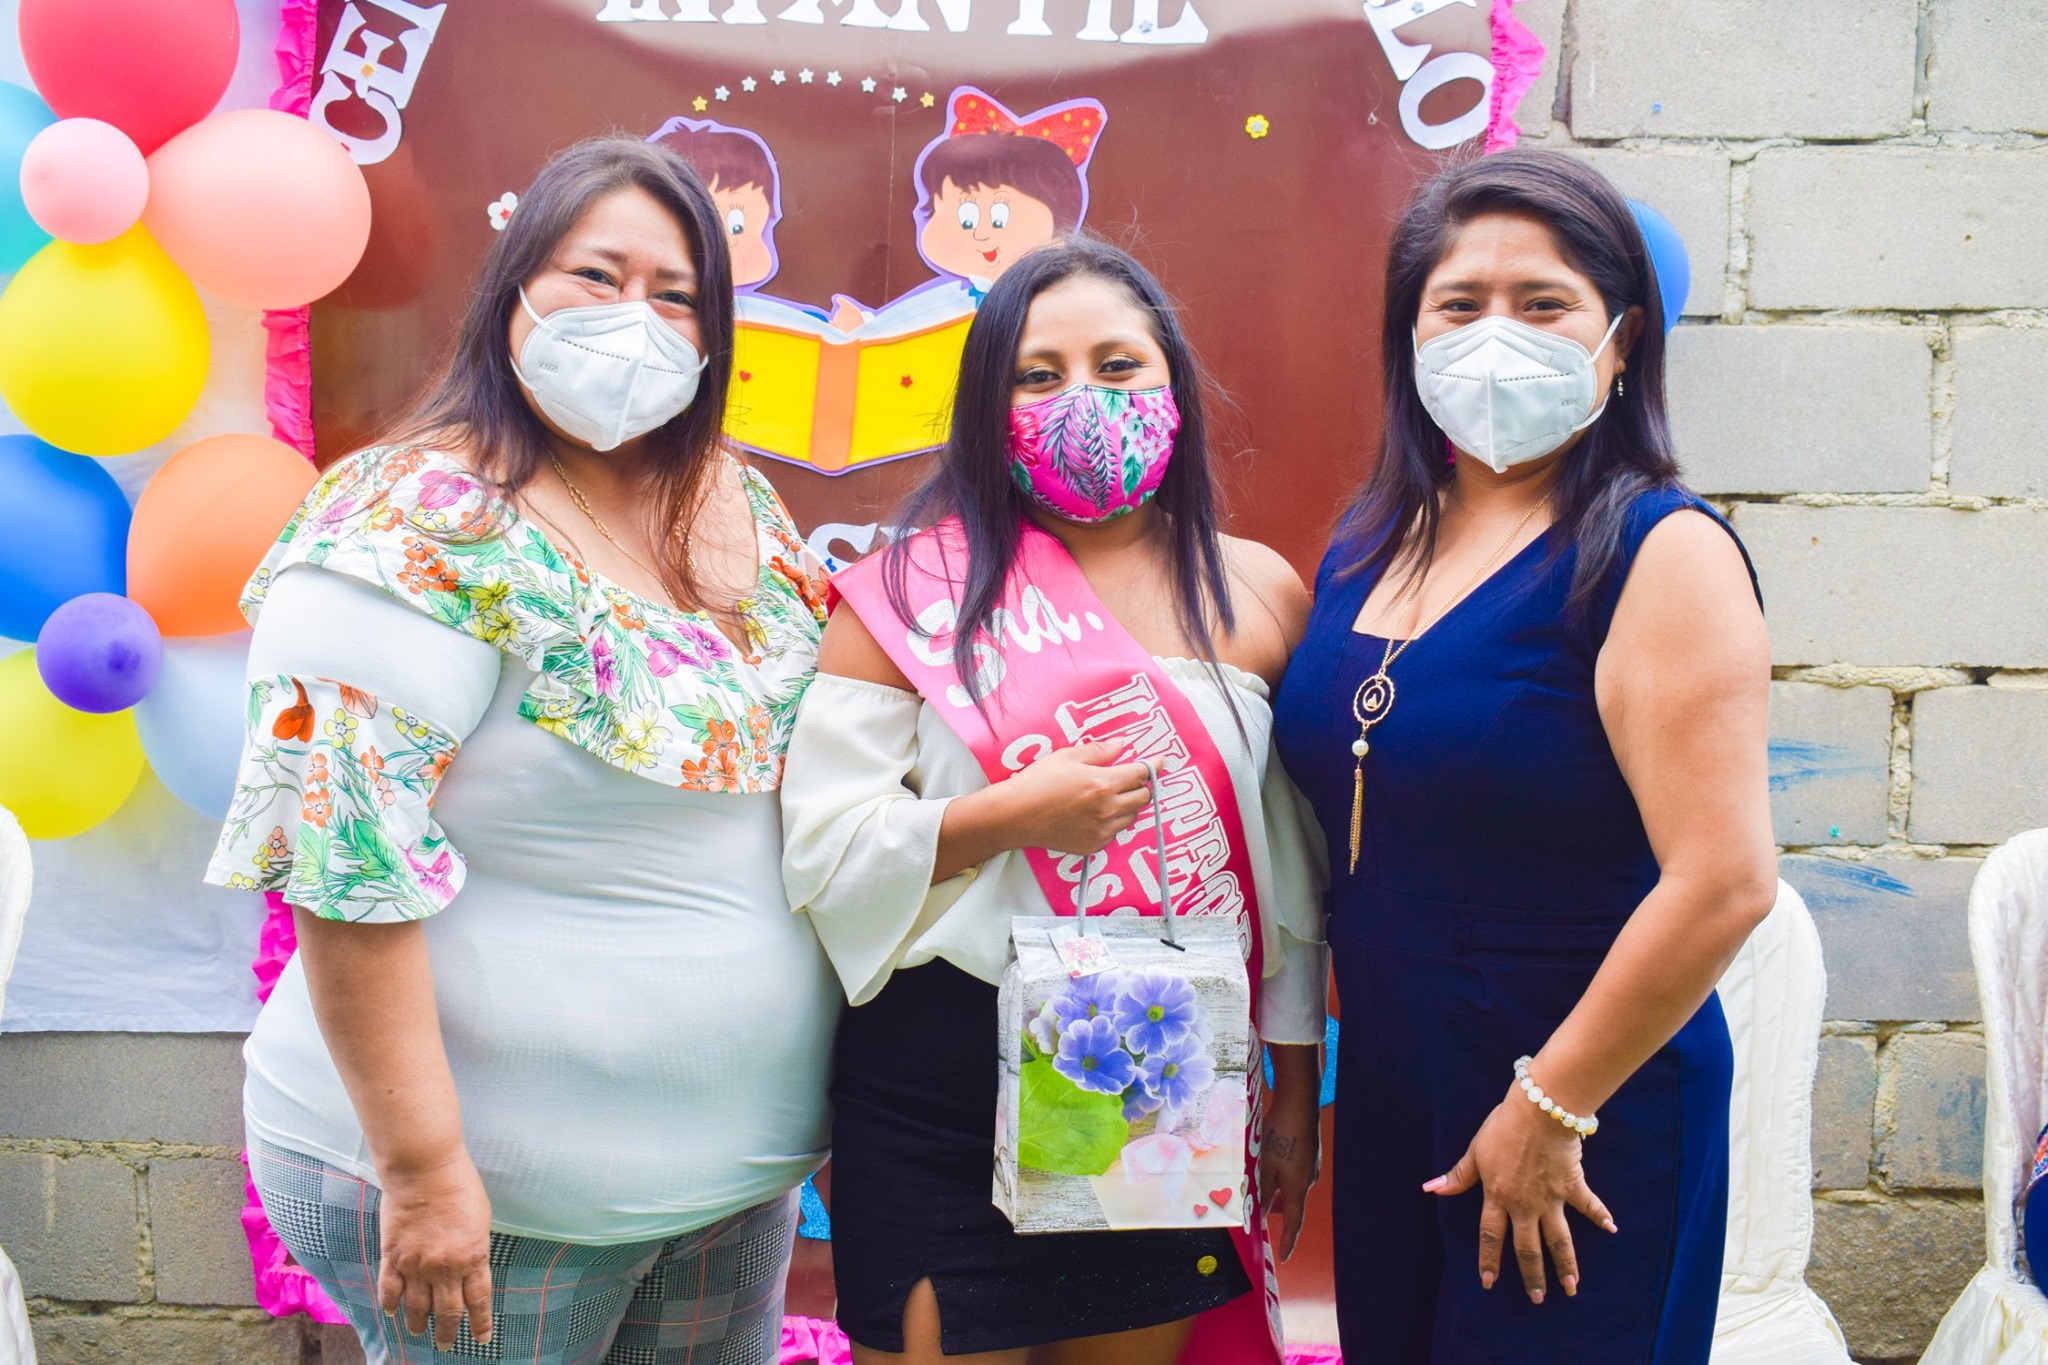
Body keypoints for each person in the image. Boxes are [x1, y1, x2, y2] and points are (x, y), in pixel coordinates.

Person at [206, 137, 838, 1364]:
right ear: (512, 293)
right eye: (595, 275)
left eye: (676, 294)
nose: (633, 319)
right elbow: (341, 861)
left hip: (727, 1191)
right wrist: (424, 1170)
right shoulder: (405, 522)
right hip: (482, 1211)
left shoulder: (733, 501)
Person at [780, 234, 1329, 1365]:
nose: (1083, 398)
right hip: (937, 1077)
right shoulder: (907, 596)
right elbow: (825, 852)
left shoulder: (1258, 592)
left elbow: (1290, 872)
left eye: (1117, 365)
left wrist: (1292, 1086)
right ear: (988, 409)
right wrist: (1012, 816)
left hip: (1154, 1069)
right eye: (1038, 376)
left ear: (1172, 384)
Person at [1270, 148, 1776, 1362]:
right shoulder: (1368, 546)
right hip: (1393, 1090)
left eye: (1542, 302)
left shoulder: (1658, 554)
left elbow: (1723, 880)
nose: (1495, 333)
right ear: (1408, 336)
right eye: (1458, 303)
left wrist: (1549, 1105)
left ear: (1621, 340)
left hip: (1580, 1111)